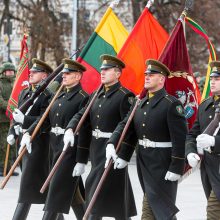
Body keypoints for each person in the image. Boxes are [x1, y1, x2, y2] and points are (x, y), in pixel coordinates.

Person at [106, 59, 187, 220]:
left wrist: (177, 167)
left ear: (162, 79)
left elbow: (180, 139)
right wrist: (117, 149)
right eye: (146, 74)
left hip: (163, 163)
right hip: (145, 162)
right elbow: (129, 131)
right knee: (158, 206)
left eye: (152, 74)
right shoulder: (140, 103)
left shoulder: (171, 104)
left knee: (157, 208)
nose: (147, 77)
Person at [64, 54, 137, 220]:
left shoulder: (124, 96)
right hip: (97, 152)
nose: (102, 72)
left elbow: (129, 129)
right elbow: (82, 116)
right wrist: (70, 128)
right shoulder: (96, 94)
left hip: (113, 153)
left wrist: (124, 155)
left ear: (118, 73)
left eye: (107, 69)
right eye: (101, 69)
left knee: (96, 200)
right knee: (114, 202)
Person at [23, 59, 89, 220]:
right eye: (63, 73)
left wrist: (81, 159)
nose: (64, 76)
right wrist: (29, 134)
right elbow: (44, 121)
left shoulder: (83, 98)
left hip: (69, 153)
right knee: (74, 196)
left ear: (78, 76)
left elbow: (86, 131)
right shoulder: (59, 95)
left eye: (68, 73)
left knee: (54, 196)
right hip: (54, 150)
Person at [7, 58, 53, 220]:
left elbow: (45, 120)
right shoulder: (24, 92)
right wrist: (12, 131)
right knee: (43, 189)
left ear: (44, 76)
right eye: (31, 71)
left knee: (27, 186)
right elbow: (17, 114)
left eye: (35, 72)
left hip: (39, 145)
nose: (31, 74)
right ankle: (54, 213)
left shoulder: (48, 96)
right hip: (23, 143)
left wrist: (24, 121)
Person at [186, 61, 220, 219]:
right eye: (212, 78)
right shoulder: (206, 105)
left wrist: (215, 142)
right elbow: (192, 134)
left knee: (213, 212)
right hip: (208, 169)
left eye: (217, 78)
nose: (212, 81)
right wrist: (191, 152)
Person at [0, 62, 17, 176]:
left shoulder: (17, 82)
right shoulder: (1, 83)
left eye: (12, 71)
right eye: (8, 71)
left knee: (13, 143)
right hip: (3, 119)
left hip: (14, 118)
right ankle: (2, 166)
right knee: (3, 143)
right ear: (3, 72)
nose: (10, 73)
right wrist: (11, 108)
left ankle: (10, 167)